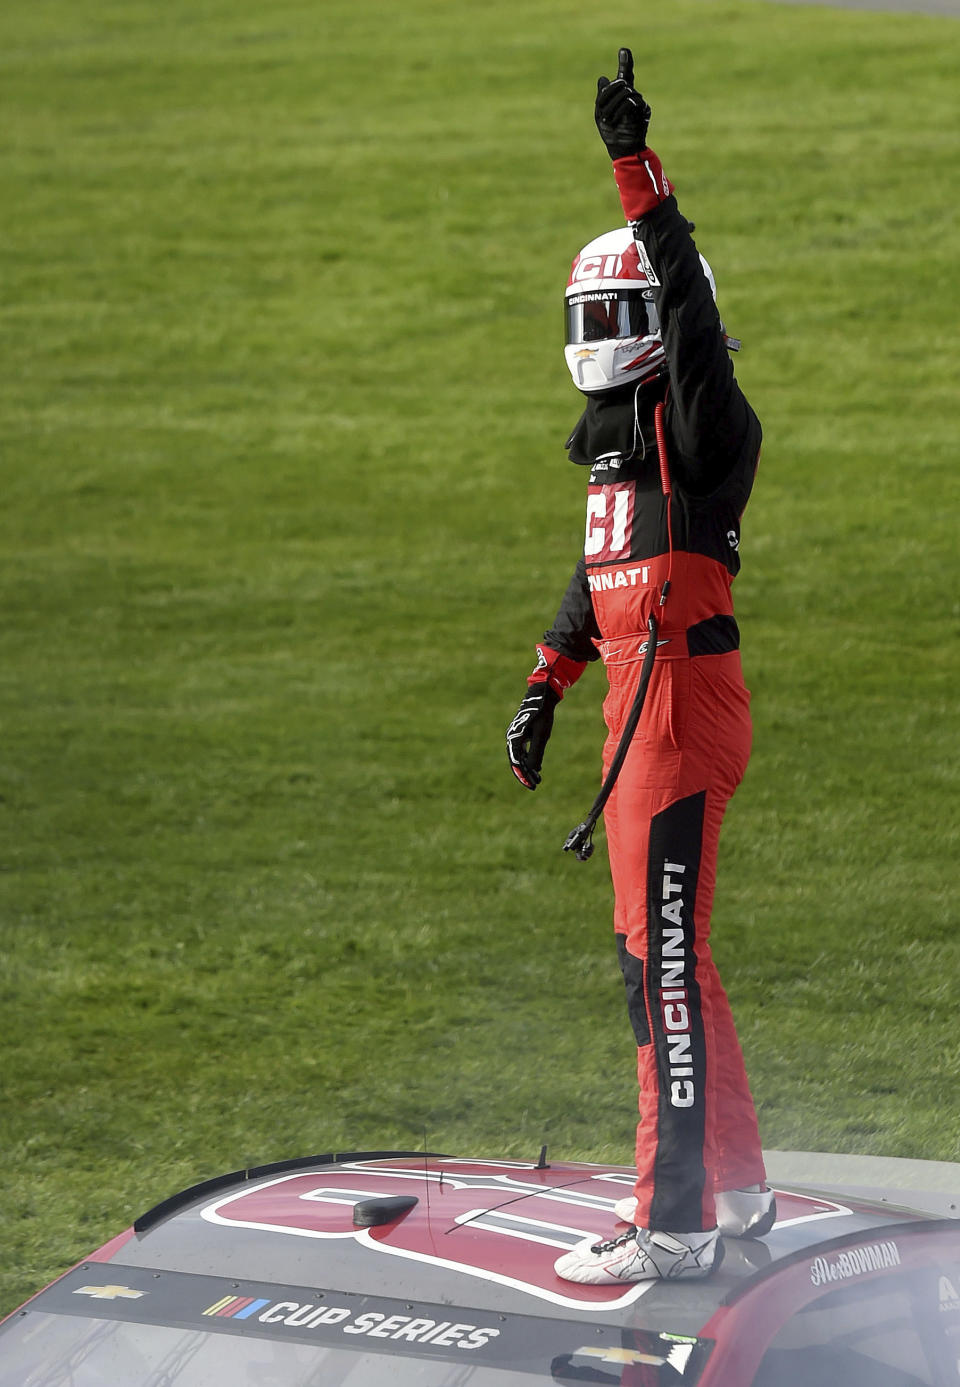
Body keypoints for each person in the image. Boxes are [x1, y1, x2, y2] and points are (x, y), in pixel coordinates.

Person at [505, 49, 775, 1284]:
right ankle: (741, 1189)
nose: (601, 341)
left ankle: (671, 1221)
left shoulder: (702, 429)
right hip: (637, 711)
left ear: (665, 325)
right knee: (674, 957)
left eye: (621, 317)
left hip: (675, 716)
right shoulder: (618, 454)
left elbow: (695, 318)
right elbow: (594, 581)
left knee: (654, 968)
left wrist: (637, 172)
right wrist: (542, 685)